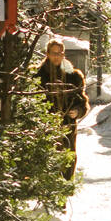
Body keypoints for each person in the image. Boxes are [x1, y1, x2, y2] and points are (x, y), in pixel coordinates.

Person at [36, 38, 89, 177]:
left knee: (68, 158)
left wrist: (77, 111)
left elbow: (82, 101)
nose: (57, 56)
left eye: (60, 53)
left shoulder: (73, 76)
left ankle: (66, 187)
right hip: (45, 125)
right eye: (53, 53)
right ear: (47, 54)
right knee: (48, 158)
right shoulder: (38, 76)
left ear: (63, 54)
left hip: (67, 125)